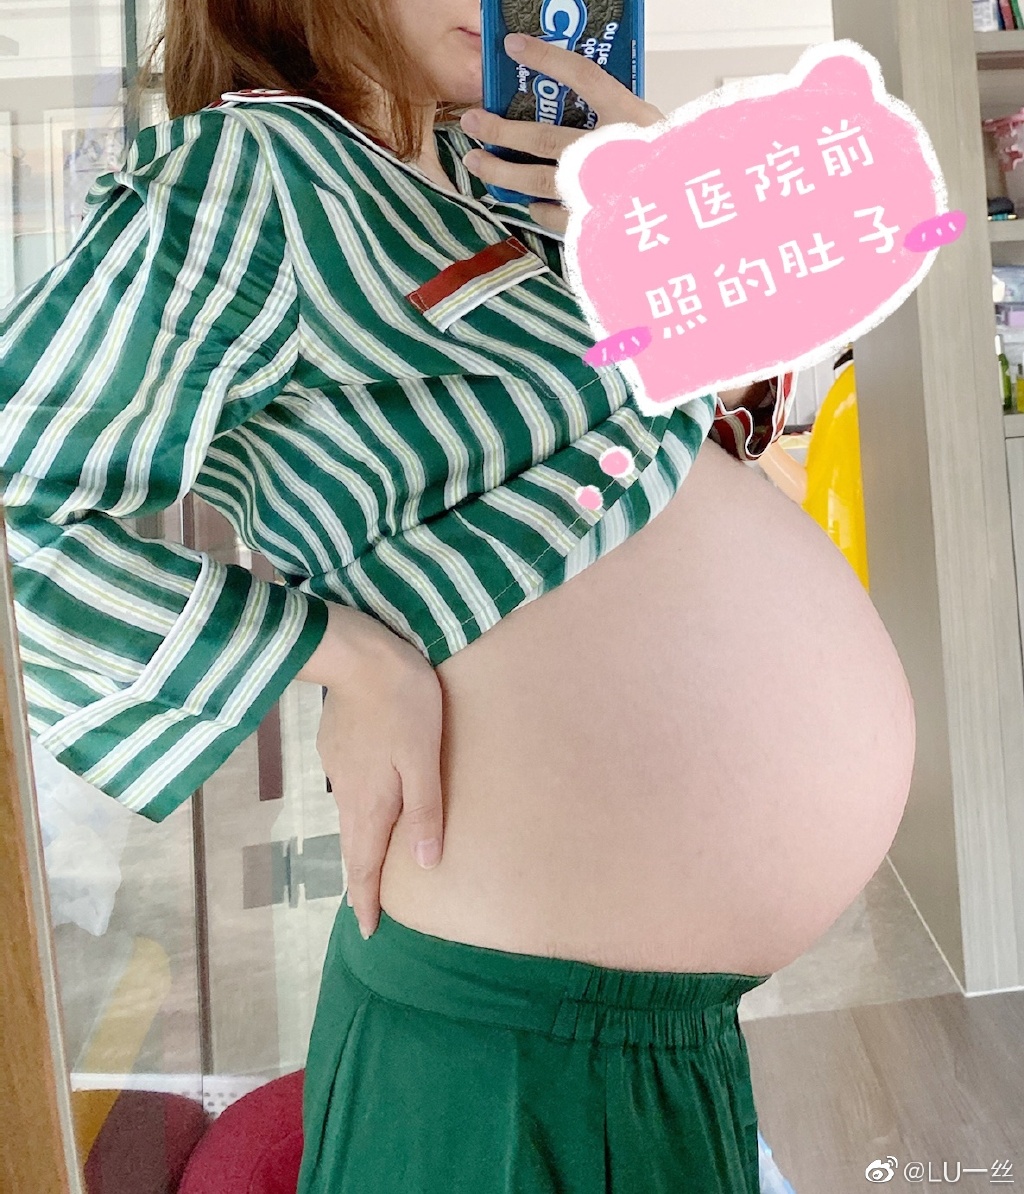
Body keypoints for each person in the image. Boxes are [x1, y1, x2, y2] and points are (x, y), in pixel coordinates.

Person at [0, 1, 917, 1190]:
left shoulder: (493, 178)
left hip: (649, 1031)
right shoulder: (252, 172)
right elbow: (20, 511)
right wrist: (341, 658)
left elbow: (671, 443)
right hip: (508, 1040)